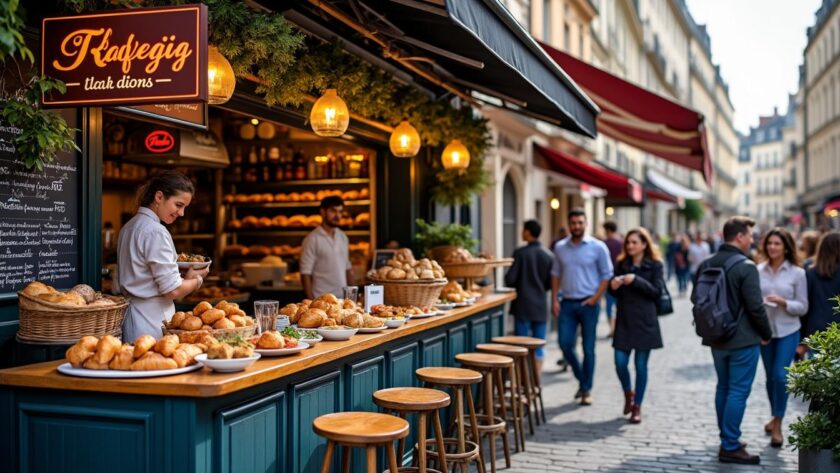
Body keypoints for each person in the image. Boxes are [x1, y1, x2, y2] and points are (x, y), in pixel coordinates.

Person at [692, 216, 772, 465]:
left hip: (715, 337)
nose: (752, 239)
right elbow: (756, 308)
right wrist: (766, 333)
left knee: (723, 388)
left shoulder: (707, 263)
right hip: (743, 339)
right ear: (739, 237)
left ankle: (728, 438)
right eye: (749, 235)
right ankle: (729, 445)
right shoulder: (746, 266)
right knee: (737, 391)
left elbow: (697, 298)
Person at [117, 171, 208, 341]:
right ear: (159, 197)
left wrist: (183, 276)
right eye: (178, 205)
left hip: (132, 317)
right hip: (152, 321)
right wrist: (197, 280)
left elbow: (147, 275)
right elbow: (172, 290)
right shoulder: (155, 231)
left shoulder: (129, 227)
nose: (181, 213)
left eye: (184, 208)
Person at [551, 208, 613, 405]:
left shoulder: (598, 247)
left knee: (589, 348)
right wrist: (554, 298)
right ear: (569, 225)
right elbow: (555, 273)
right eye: (573, 223)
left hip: (589, 304)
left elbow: (606, 274)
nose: (576, 226)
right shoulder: (560, 247)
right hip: (567, 302)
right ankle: (583, 381)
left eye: (580, 223)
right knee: (565, 343)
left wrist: (595, 298)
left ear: (586, 224)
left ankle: (586, 390)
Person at [756, 228, 808, 448]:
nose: (772, 247)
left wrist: (784, 303)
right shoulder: (757, 270)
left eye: (777, 243)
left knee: (780, 375)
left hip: (788, 330)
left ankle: (778, 423)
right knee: (770, 377)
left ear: (786, 246)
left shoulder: (798, 273)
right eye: (770, 243)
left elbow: (803, 307)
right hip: (765, 332)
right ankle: (774, 415)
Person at [608, 228, 664, 424]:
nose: (630, 246)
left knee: (641, 366)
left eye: (634, 242)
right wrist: (612, 287)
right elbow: (614, 292)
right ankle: (628, 393)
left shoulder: (655, 265)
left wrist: (636, 280)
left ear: (644, 244)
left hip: (645, 322)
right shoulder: (622, 264)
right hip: (624, 321)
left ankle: (637, 406)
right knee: (620, 362)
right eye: (628, 243)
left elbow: (657, 291)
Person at [504, 220, 554, 371]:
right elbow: (550, 284)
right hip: (540, 305)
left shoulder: (520, 253)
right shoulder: (549, 255)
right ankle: (536, 383)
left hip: (522, 305)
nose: (521, 232)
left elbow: (510, 280)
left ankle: (523, 384)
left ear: (527, 232)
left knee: (521, 346)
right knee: (539, 346)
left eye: (523, 229)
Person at [301, 196, 354, 299]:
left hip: (342, 299)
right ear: (322, 212)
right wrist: (311, 301)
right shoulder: (312, 239)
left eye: (340, 212)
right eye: (333, 211)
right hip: (321, 299)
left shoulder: (343, 236)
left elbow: (348, 268)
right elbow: (305, 273)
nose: (338, 216)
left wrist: (352, 298)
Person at [802, 231, 840, 348]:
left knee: (819, 364)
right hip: (837, 328)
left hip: (815, 329)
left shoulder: (810, 270)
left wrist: (802, 338)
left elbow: (805, 303)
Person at [602, 221, 622, 338]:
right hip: (620, 279)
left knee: (609, 306)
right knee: (619, 305)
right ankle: (617, 328)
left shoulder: (604, 244)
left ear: (608, 230)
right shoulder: (621, 243)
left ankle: (612, 328)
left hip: (608, 279)